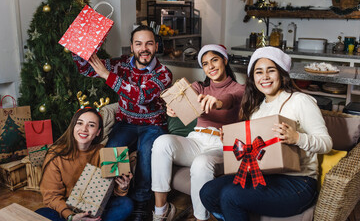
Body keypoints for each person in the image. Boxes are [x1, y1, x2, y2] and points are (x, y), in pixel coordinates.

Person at [199, 46, 333, 220]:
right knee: (208, 192)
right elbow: (255, 152)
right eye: (258, 72)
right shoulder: (257, 110)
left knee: (231, 196)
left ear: (282, 73)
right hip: (265, 176)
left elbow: (326, 143)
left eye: (271, 70)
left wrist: (297, 138)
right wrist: (232, 142)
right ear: (253, 78)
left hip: (299, 183)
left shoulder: (301, 101)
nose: (265, 77)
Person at [72, 25, 173, 220]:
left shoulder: (164, 73)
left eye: (149, 43)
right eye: (139, 44)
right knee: (112, 150)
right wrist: (81, 45)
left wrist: (107, 75)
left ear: (156, 46)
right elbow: (85, 68)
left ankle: (141, 203)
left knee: (146, 154)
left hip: (153, 126)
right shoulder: (122, 64)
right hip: (125, 123)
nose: (144, 48)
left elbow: (142, 96)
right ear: (132, 46)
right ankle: (104, 199)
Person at [151, 44, 245, 221]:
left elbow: (229, 100)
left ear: (225, 60)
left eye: (214, 60)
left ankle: (201, 217)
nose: (210, 67)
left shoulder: (239, 89)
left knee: (201, 163)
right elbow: (182, 96)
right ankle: (160, 211)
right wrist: (173, 107)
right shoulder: (200, 87)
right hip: (196, 140)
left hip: (221, 145)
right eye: (205, 63)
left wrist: (216, 102)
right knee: (162, 142)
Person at [36, 107, 134, 221]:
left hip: (93, 208)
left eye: (91, 125)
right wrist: (71, 216)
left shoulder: (103, 153)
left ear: (98, 132)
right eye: (80, 123)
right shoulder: (56, 154)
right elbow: (51, 197)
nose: (84, 129)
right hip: (66, 209)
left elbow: (107, 190)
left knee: (126, 204)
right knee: (42, 213)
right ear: (73, 127)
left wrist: (122, 187)